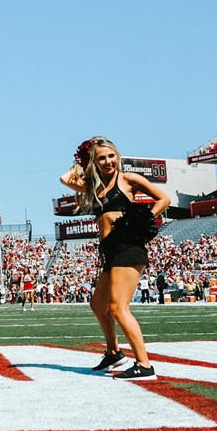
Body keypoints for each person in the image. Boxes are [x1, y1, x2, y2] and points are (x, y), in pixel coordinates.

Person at [60, 136, 170, 381]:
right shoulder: (96, 187)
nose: (108, 161)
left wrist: (144, 219)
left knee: (118, 308)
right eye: (101, 158)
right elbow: (65, 179)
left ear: (118, 156)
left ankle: (144, 365)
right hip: (110, 252)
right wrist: (84, 155)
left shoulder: (128, 178)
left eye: (111, 156)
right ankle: (113, 353)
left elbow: (164, 198)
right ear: (94, 162)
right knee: (98, 305)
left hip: (128, 247)